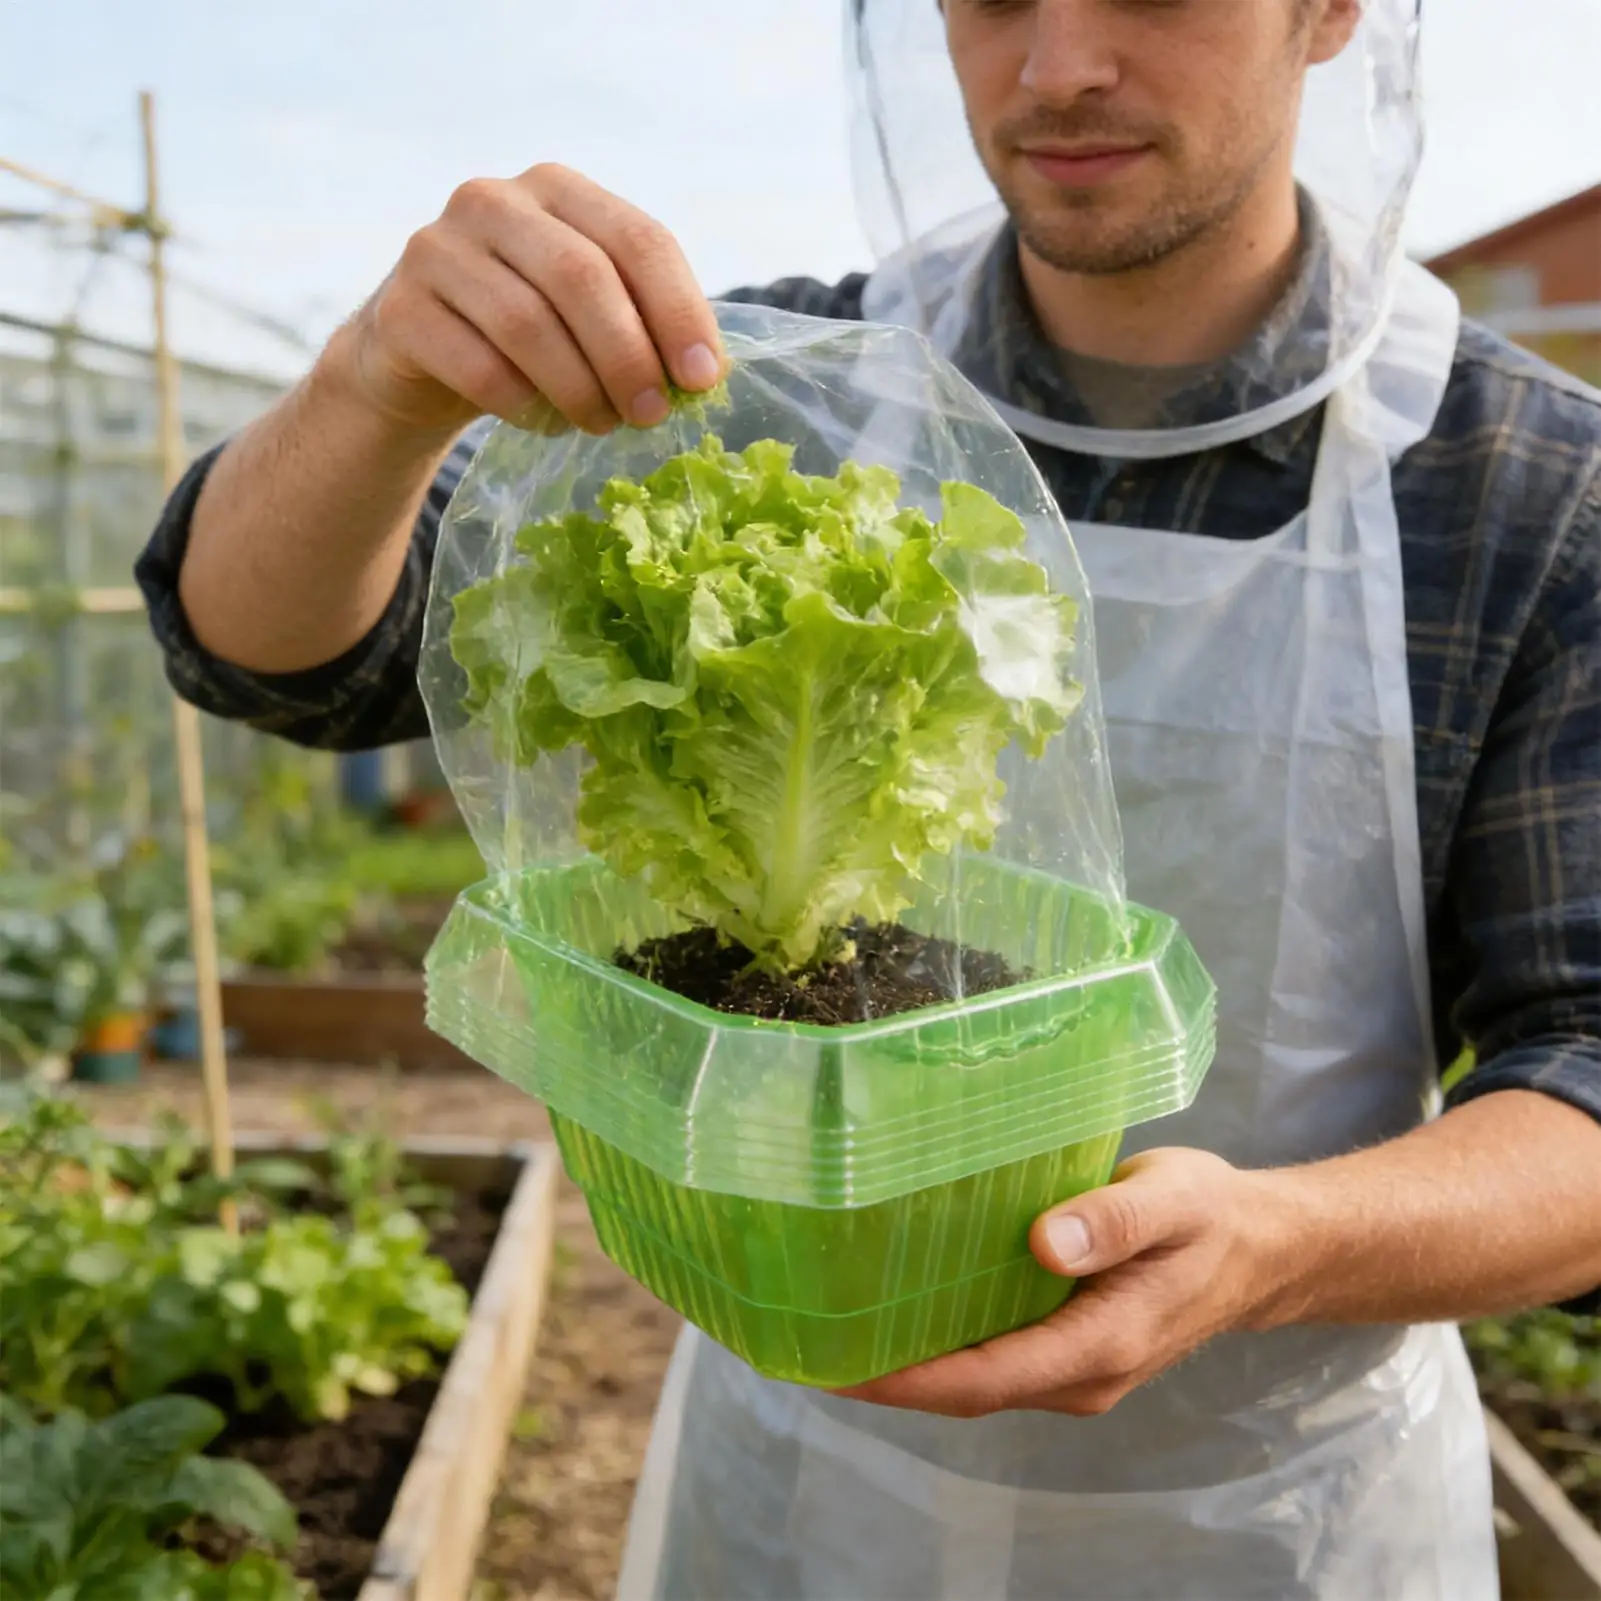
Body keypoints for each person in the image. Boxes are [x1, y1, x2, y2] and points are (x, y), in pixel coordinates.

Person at [138, 0, 1601, 1594]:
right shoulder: (757, 389)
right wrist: (376, 386)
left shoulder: (1527, 485)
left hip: (1275, 1518)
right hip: (802, 1483)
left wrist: (1274, 1251)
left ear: (1330, 13)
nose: (1055, 69)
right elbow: (273, 659)